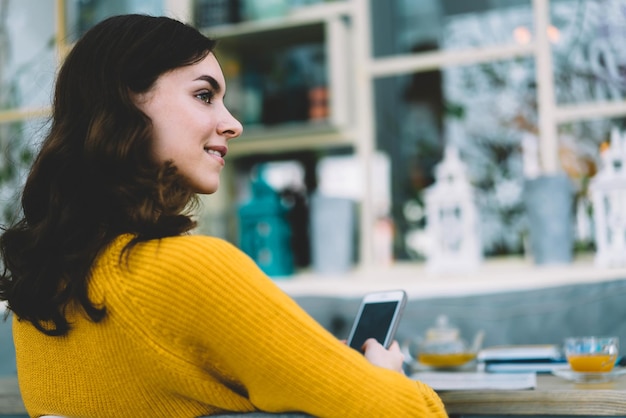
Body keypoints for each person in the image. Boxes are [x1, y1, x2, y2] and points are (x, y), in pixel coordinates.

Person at [0, 14, 447, 418]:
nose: (233, 123)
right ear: (127, 103)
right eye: (203, 95)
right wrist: (386, 375)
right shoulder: (188, 272)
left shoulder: (38, 298)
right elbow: (408, 414)